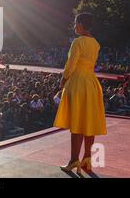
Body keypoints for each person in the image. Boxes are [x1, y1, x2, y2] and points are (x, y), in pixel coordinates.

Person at [54, 13, 107, 174]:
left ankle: (73, 160)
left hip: (77, 83)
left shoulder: (78, 42)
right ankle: (87, 158)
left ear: (82, 24)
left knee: (76, 123)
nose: (74, 26)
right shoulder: (96, 43)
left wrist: (62, 81)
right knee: (88, 121)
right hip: (91, 83)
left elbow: (70, 65)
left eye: (76, 23)